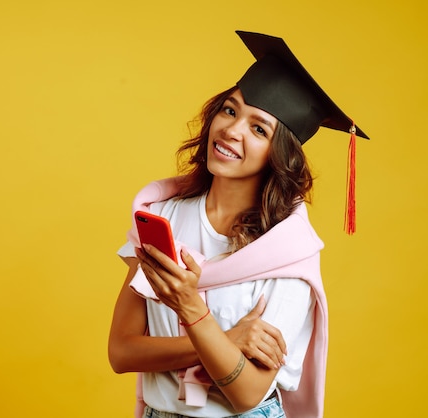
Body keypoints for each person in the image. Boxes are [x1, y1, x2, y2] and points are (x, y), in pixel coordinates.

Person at [108, 31, 369, 418]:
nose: (231, 130)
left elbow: (247, 392)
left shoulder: (287, 251)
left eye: (259, 129)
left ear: (279, 156)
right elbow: (122, 351)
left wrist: (192, 310)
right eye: (230, 110)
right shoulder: (162, 217)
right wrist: (227, 340)